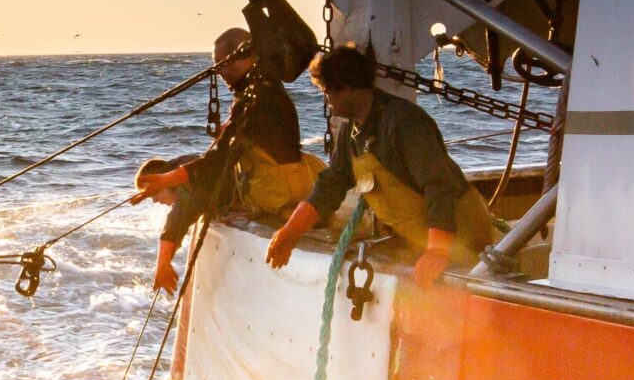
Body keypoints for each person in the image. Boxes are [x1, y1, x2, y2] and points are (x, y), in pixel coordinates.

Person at [264, 44, 497, 283]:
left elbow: (439, 186)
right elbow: (330, 185)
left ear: (345, 89)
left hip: (463, 239)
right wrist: (290, 233)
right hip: (419, 239)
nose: (326, 101)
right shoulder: (351, 132)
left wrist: (438, 250)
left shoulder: (404, 122)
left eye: (326, 92)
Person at [134, 28, 322, 293]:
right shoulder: (262, 88)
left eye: (221, 62)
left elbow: (216, 163)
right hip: (291, 180)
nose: (218, 71)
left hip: (283, 191)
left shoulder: (258, 98)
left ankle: (164, 263)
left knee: (202, 187)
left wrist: (170, 178)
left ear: (243, 56)